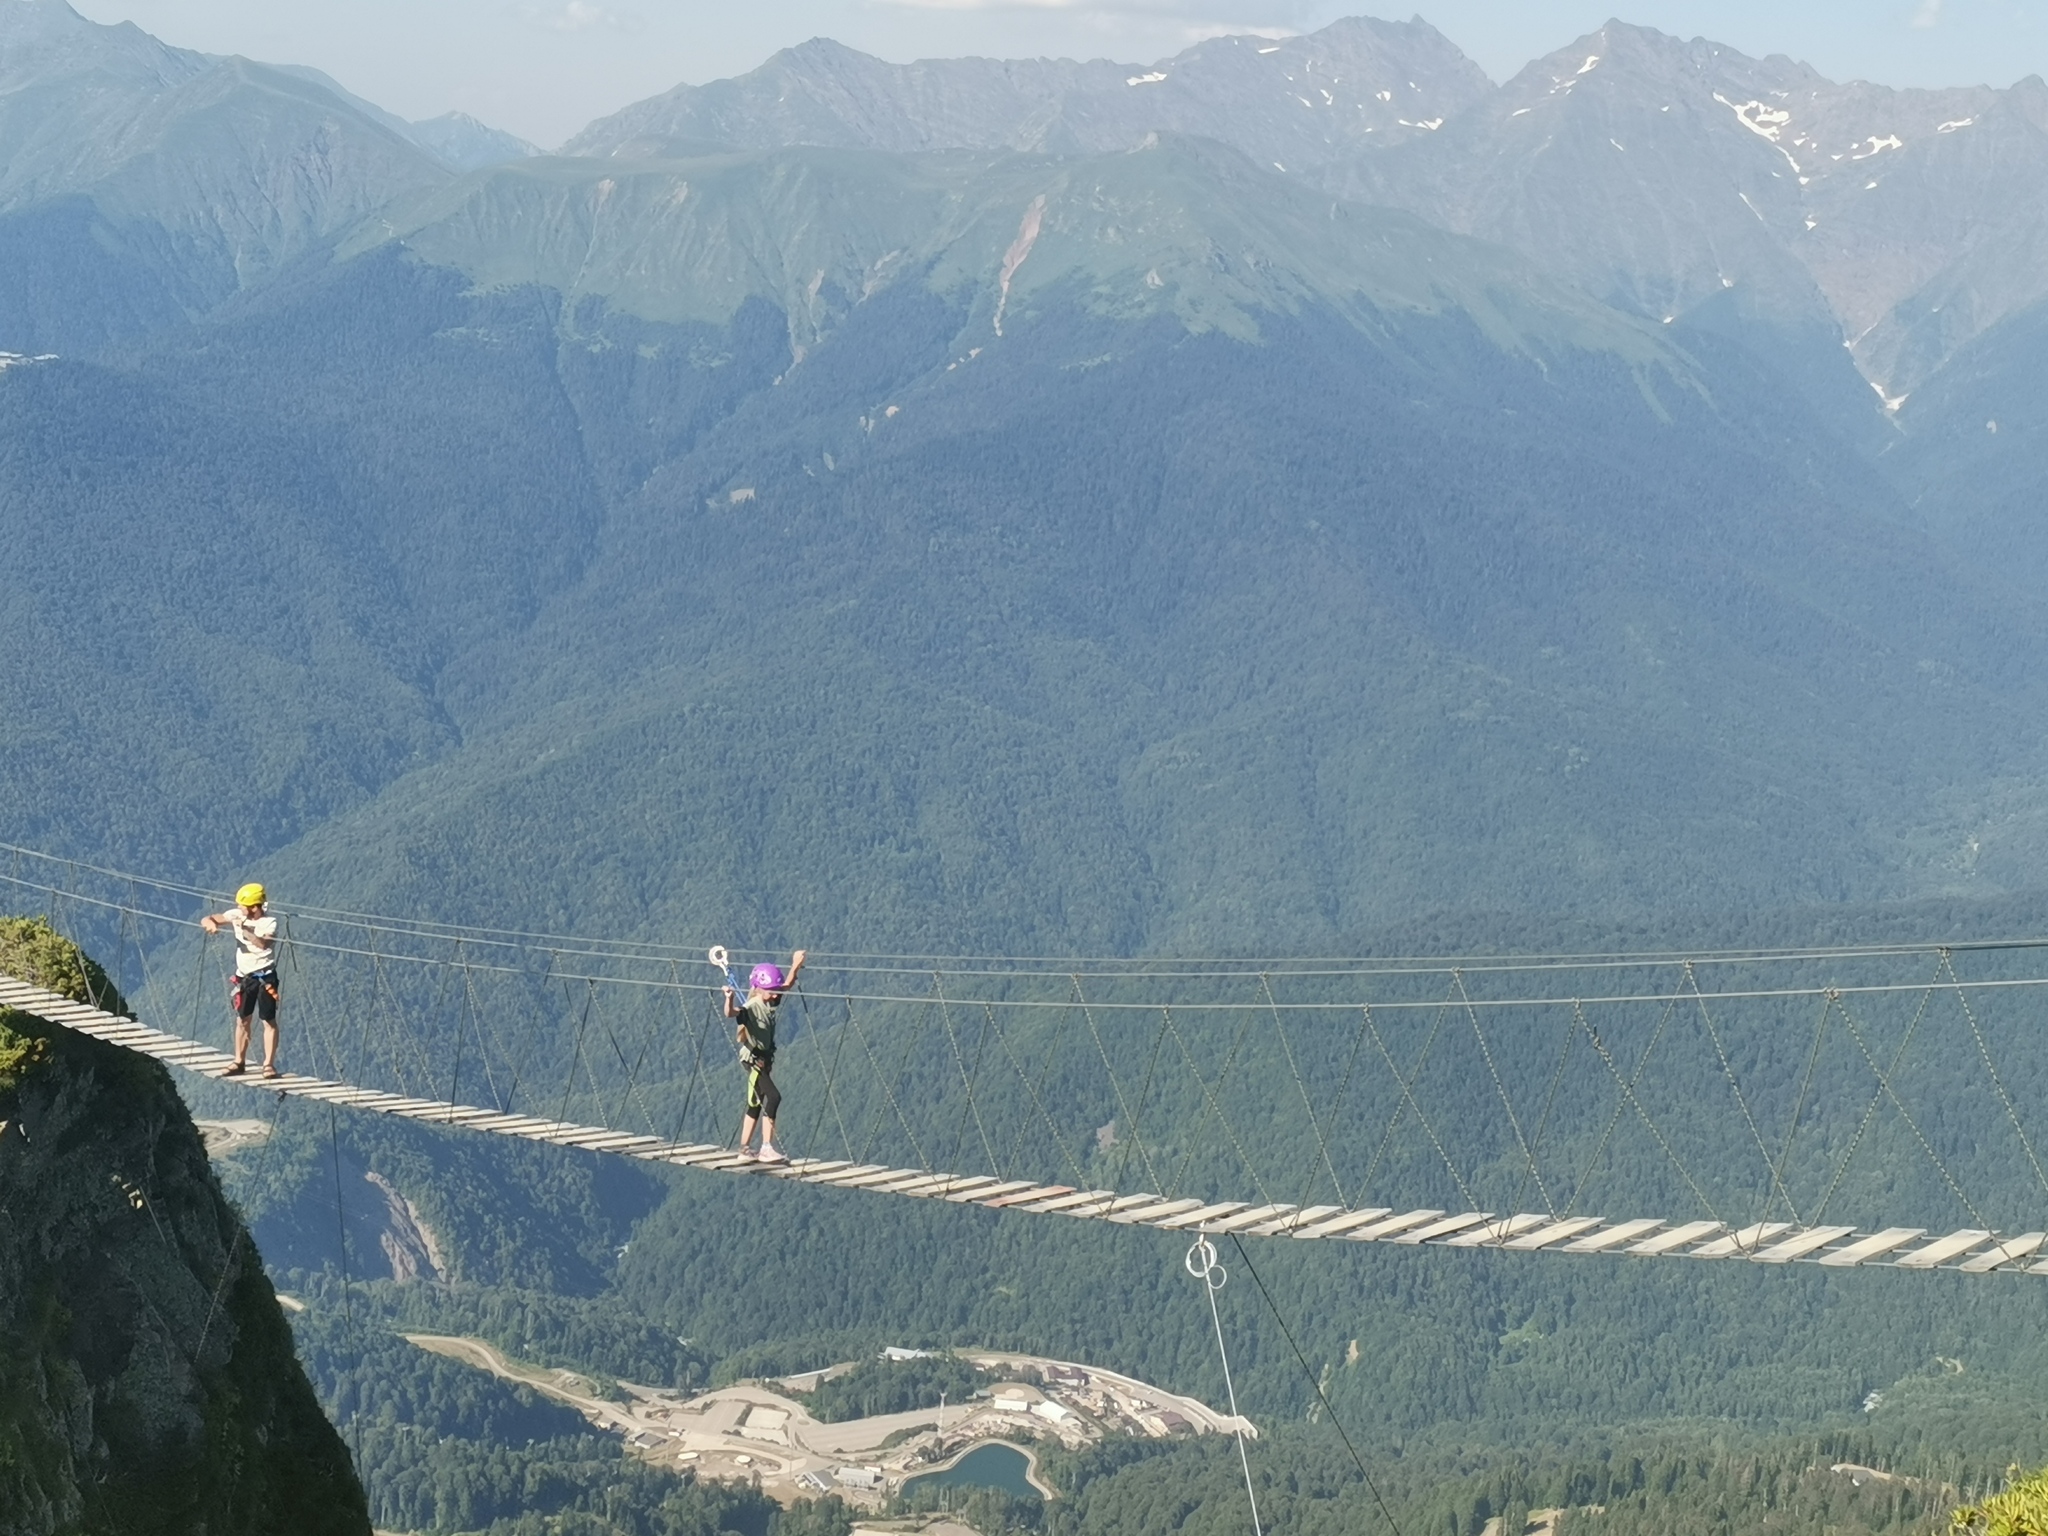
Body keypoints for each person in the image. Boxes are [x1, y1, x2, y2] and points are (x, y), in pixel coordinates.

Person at [723, 949, 805, 1163]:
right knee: (774, 1097)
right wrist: (729, 998)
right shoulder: (751, 1006)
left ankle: (744, 1149)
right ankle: (766, 1147)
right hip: (753, 1059)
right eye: (772, 991)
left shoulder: (768, 1000)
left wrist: (796, 964)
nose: (777, 994)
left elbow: (786, 985)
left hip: (762, 1059)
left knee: (756, 1102)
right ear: (759, 989)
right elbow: (731, 1013)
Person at [202, 882, 281, 1078]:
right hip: (245, 978)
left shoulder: (269, 923)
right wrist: (211, 924)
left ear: (254, 907)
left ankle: (268, 1065)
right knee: (242, 1020)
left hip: (265, 977)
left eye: (242, 905)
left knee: (268, 1020)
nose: (238, 908)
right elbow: (209, 918)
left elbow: (264, 944)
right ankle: (239, 1061)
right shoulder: (237, 915)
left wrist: (244, 928)